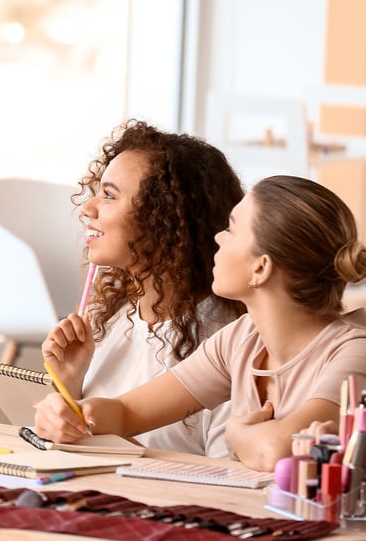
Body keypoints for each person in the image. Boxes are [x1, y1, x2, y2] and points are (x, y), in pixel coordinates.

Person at [35, 174, 366, 472]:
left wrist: (238, 434)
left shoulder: (353, 352)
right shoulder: (241, 338)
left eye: (233, 229)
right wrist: (74, 412)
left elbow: (277, 452)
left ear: (261, 268)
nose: (219, 238)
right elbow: (126, 412)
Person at [40, 120, 245, 457]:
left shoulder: (227, 342)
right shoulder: (107, 319)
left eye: (108, 195)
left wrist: (102, 438)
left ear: (165, 216)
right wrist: (69, 385)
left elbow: (229, 480)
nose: (87, 208)